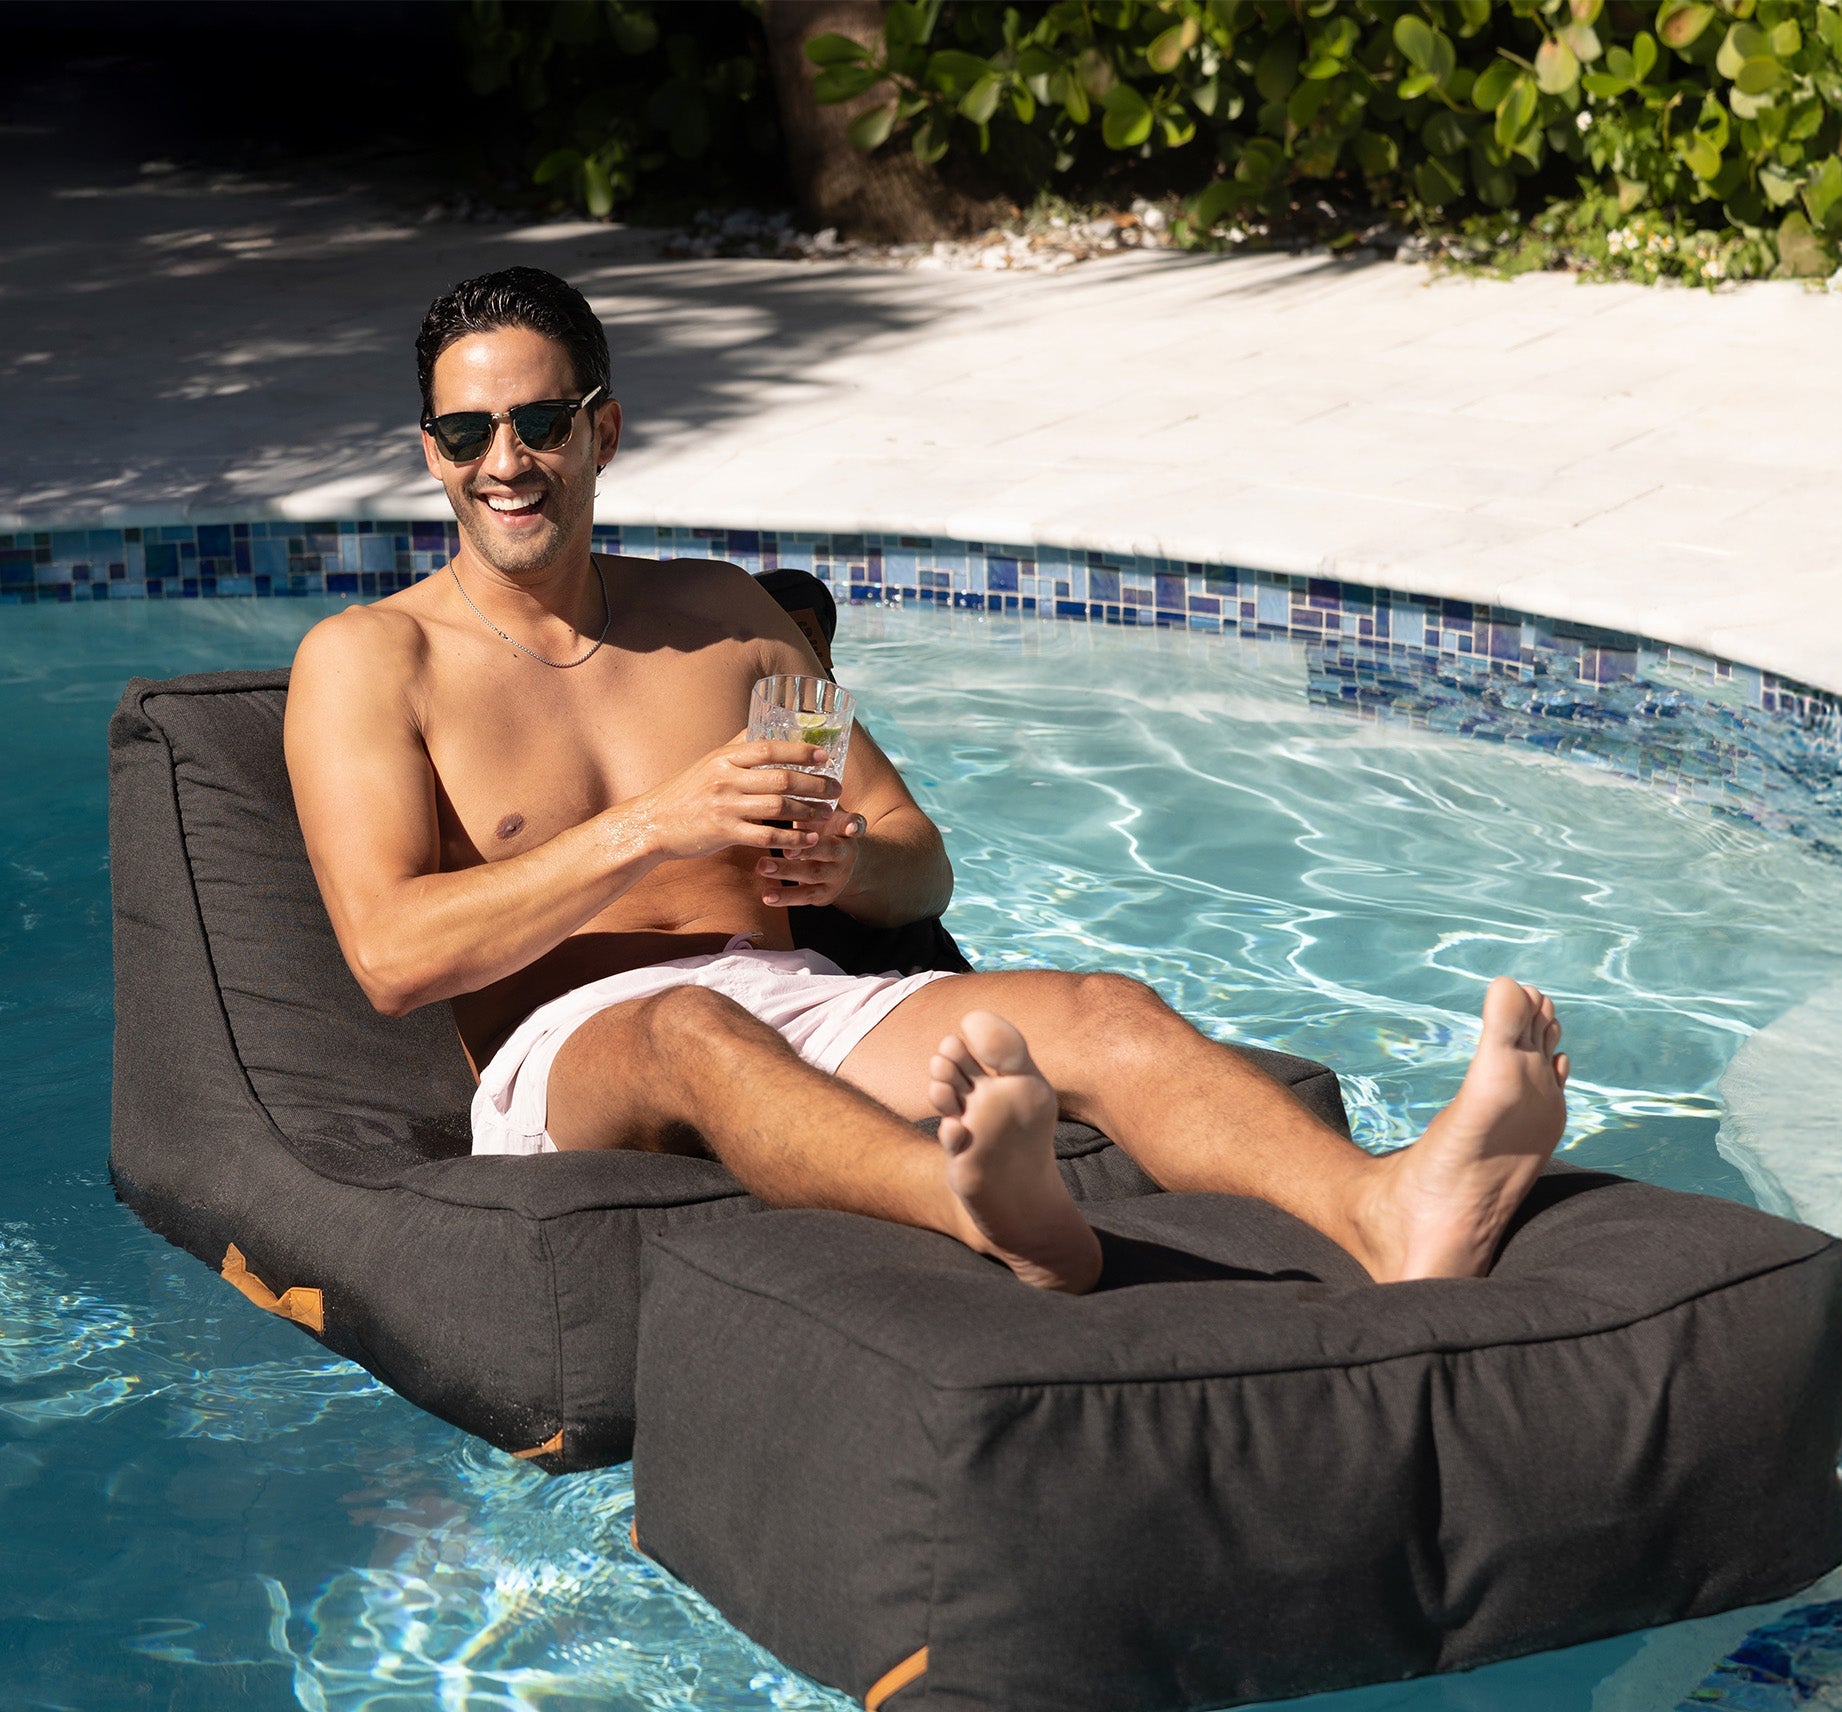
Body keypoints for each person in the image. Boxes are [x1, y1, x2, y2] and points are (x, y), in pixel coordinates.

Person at [285, 265, 1569, 1297]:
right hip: (567, 1062)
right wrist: (652, 827)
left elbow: (920, 857)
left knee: (1103, 1008)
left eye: (539, 421)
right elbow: (393, 955)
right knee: (689, 1030)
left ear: (603, 430)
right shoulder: (371, 659)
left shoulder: (728, 618)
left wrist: (854, 863)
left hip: (789, 995)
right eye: (467, 430)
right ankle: (972, 1203)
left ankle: (1389, 1207)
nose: (504, 459)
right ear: (432, 450)